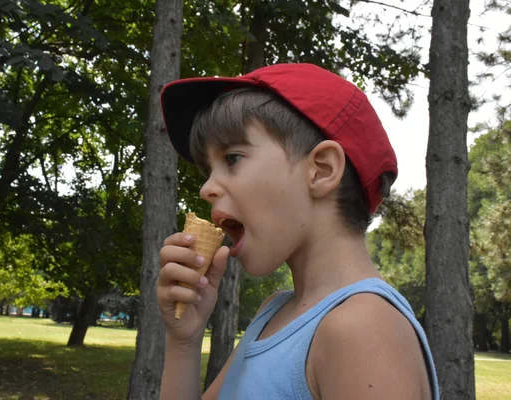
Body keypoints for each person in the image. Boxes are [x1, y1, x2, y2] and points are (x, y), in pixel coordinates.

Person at [156, 63, 439, 400]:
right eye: (208, 169)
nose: (206, 188)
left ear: (321, 170)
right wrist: (184, 341)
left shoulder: (362, 328)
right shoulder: (274, 311)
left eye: (231, 158)